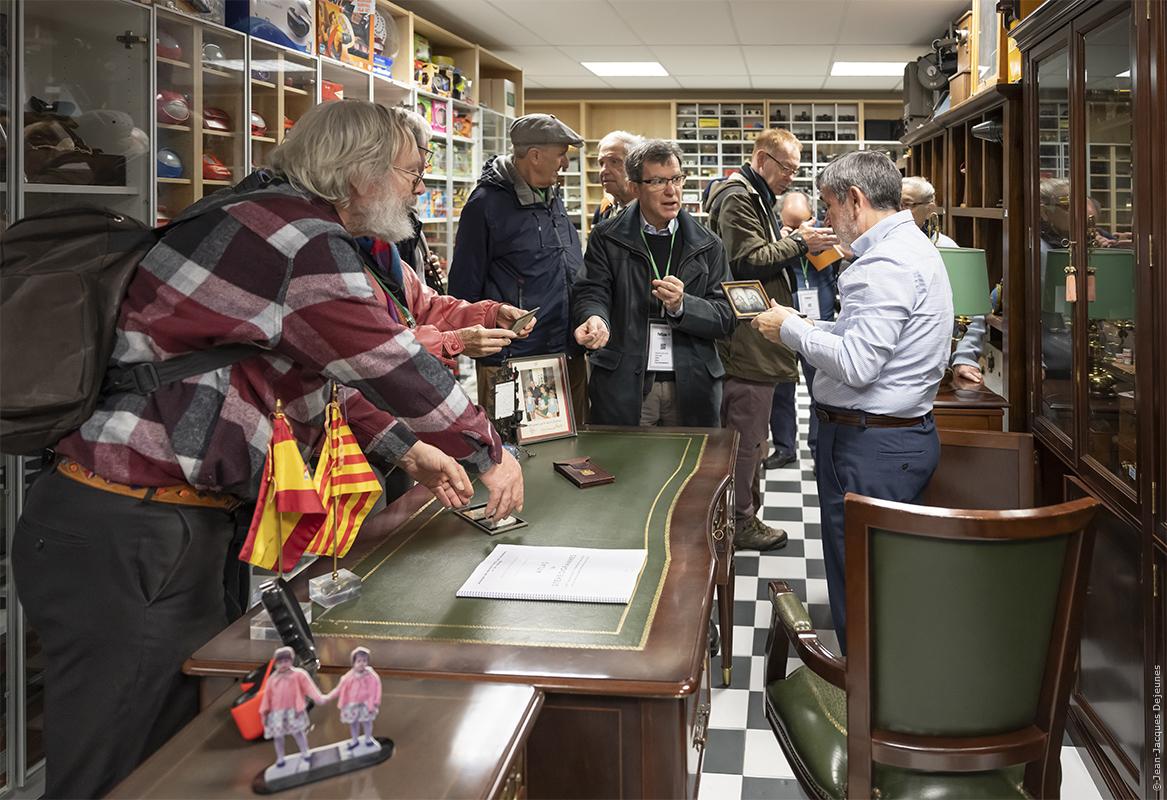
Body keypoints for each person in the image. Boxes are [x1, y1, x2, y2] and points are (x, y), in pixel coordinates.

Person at [11, 101, 524, 800]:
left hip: (146, 522)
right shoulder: (300, 241)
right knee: (118, 763)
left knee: (170, 743)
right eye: (411, 173)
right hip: (133, 528)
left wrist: (409, 450)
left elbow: (315, 375)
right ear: (360, 174)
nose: (418, 189)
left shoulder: (261, 217)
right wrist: (489, 451)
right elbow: (391, 363)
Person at [752, 151, 953, 653]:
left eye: (828, 206)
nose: (826, 219)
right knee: (885, 580)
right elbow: (866, 335)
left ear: (856, 200)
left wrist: (792, 330)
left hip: (868, 446)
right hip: (897, 438)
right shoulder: (912, 246)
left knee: (860, 583)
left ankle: (862, 689)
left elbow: (859, 363)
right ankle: (888, 678)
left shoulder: (882, 264)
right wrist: (810, 325)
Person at [705, 129, 837, 550]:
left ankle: (741, 516)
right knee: (747, 438)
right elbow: (746, 260)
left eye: (796, 171)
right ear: (762, 160)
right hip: (747, 342)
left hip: (755, 335)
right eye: (786, 169)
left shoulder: (754, 195)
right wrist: (799, 242)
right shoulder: (738, 197)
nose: (790, 178)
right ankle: (739, 521)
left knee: (752, 435)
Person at [573, 139, 735, 428]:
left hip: (692, 385)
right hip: (625, 384)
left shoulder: (708, 244)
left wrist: (683, 306)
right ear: (635, 187)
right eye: (658, 181)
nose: (671, 191)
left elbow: (726, 316)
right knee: (623, 457)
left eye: (676, 179)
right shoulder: (607, 237)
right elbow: (591, 290)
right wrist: (595, 317)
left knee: (693, 458)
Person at [449, 113, 588, 425]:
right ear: (535, 156)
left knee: (573, 442)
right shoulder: (485, 205)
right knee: (509, 443)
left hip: (566, 351)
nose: (565, 163)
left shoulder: (552, 197)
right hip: (512, 360)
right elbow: (463, 287)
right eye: (561, 154)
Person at [766, 190, 840, 470]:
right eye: (792, 224)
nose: (800, 229)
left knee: (820, 387)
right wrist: (784, 242)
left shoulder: (824, 233)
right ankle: (784, 448)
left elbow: (841, 263)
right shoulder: (774, 237)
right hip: (785, 320)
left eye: (803, 222)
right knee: (782, 389)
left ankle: (819, 449)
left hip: (819, 321)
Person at [901, 176, 986, 383]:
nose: (899, 211)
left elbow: (969, 310)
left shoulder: (945, 248)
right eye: (895, 204)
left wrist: (965, 358)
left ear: (930, 208)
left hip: (930, 364)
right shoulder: (882, 244)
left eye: (907, 204)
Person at [261, 646, 330, 768]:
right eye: (280, 662)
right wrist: (264, 711)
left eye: (286, 661)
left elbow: (309, 688)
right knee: (278, 736)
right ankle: (280, 757)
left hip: (294, 710)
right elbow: (267, 696)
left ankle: (305, 752)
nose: (284, 664)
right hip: (277, 712)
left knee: (298, 733)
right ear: (276, 663)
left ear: (291, 661)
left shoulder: (299, 675)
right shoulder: (273, 679)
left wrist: (319, 698)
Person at [329, 646, 381, 751]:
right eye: (359, 661)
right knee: (353, 723)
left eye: (364, 661)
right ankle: (354, 739)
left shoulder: (371, 676)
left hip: (366, 704)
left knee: (367, 722)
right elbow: (340, 688)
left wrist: (375, 701)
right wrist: (327, 697)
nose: (362, 663)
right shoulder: (349, 676)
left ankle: (368, 738)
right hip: (352, 704)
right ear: (353, 663)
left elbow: (377, 688)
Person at [592, 130, 644, 225]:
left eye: (614, 162)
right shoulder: (604, 209)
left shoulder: (650, 214)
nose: (604, 171)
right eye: (601, 163)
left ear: (636, 166)